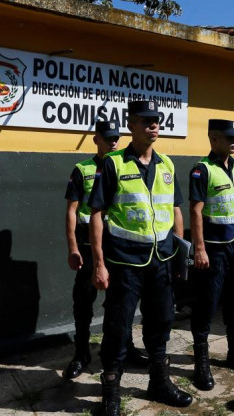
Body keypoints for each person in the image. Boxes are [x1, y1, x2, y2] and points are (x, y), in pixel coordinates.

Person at [88, 101, 192, 414]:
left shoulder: (168, 165)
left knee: (161, 321)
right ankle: (111, 392)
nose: (153, 125)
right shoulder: (113, 163)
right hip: (124, 263)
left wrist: (178, 251)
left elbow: (175, 210)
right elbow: (96, 214)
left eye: (156, 120)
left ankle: (159, 382)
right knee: (118, 327)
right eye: (146, 121)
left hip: (160, 260)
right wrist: (99, 263)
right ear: (131, 125)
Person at [62, 121, 149, 381]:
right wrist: (73, 247)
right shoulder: (82, 169)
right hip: (89, 250)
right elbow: (71, 211)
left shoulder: (126, 165)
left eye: (116, 138)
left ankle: (126, 346)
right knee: (83, 302)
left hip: (117, 249)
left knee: (122, 303)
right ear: (96, 139)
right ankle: (81, 353)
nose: (113, 142)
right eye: (108, 138)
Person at [189, 119, 234, 391]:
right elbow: (195, 210)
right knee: (206, 304)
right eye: (229, 137)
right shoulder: (202, 169)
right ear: (213, 138)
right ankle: (202, 362)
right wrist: (199, 248)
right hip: (214, 249)